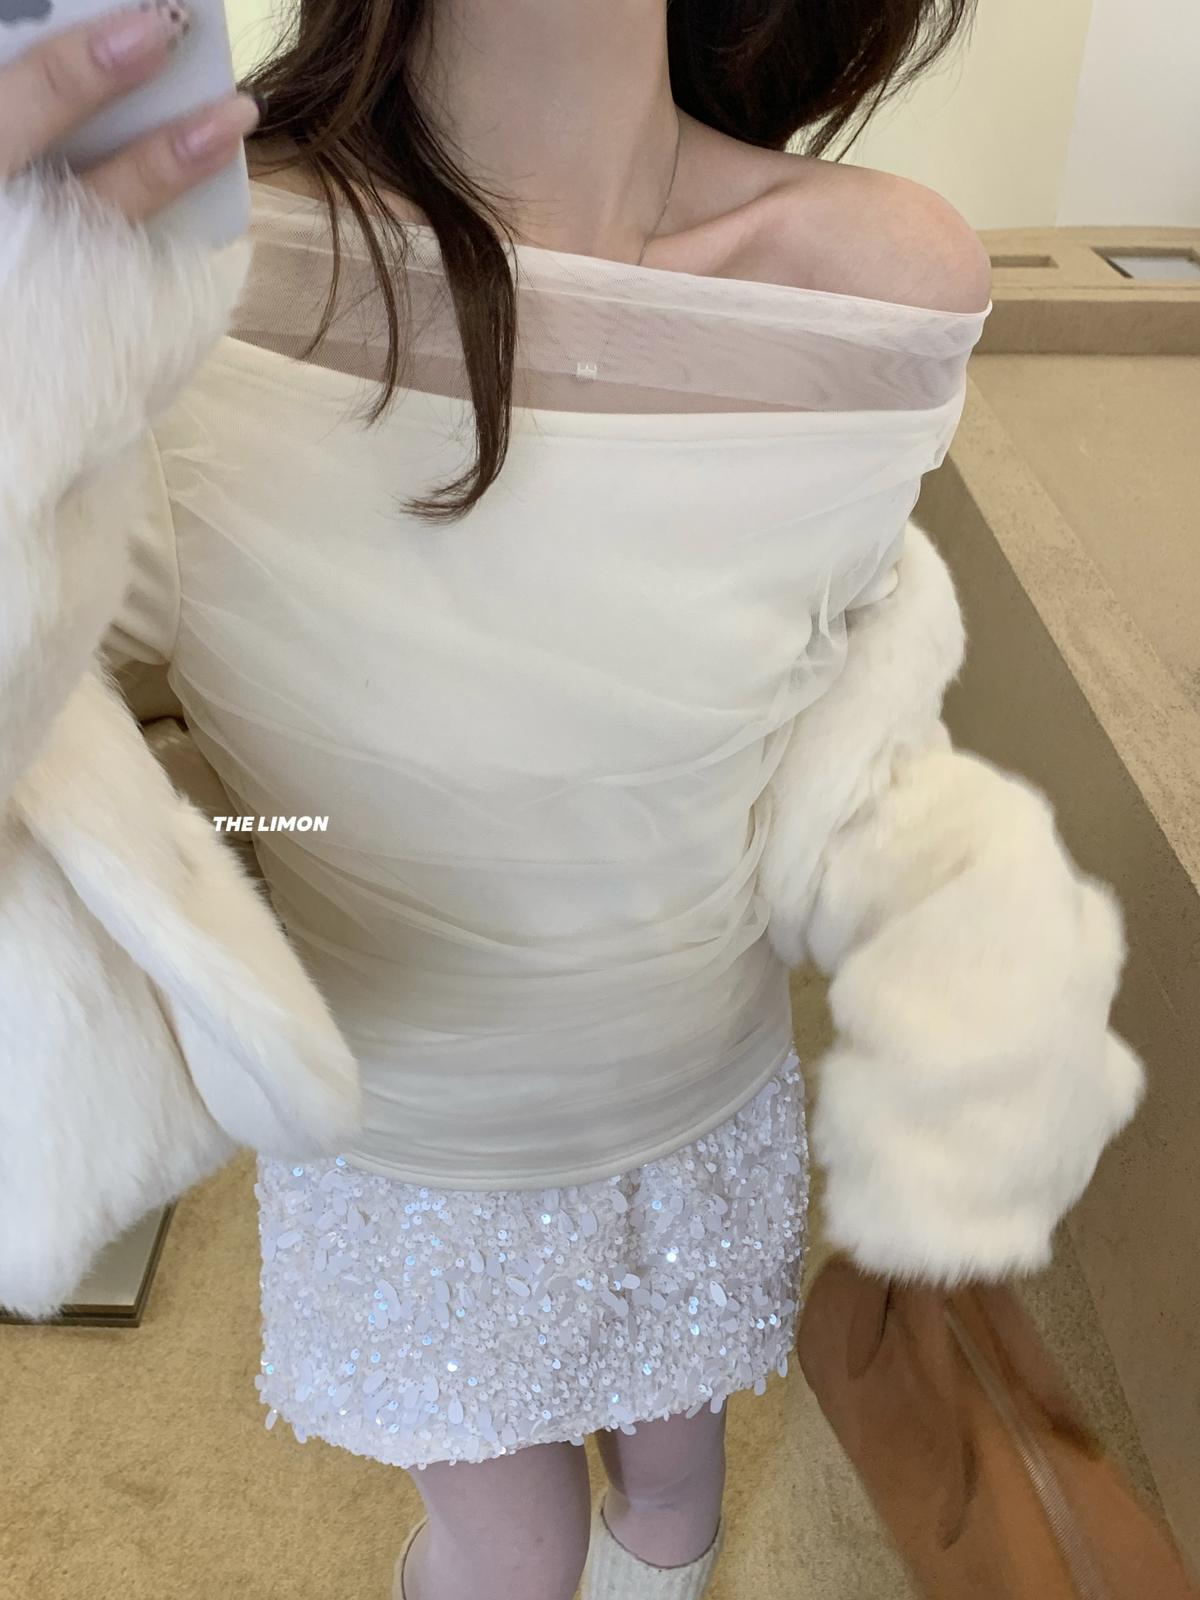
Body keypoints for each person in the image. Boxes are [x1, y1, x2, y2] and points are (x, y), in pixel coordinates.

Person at [0, 4, 1144, 1599]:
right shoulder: (175, 275)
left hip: (696, 1099)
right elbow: (57, 725)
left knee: (671, 1496)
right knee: (515, 1545)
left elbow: (817, 711)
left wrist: (968, 944)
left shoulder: (884, 283)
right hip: (410, 1136)